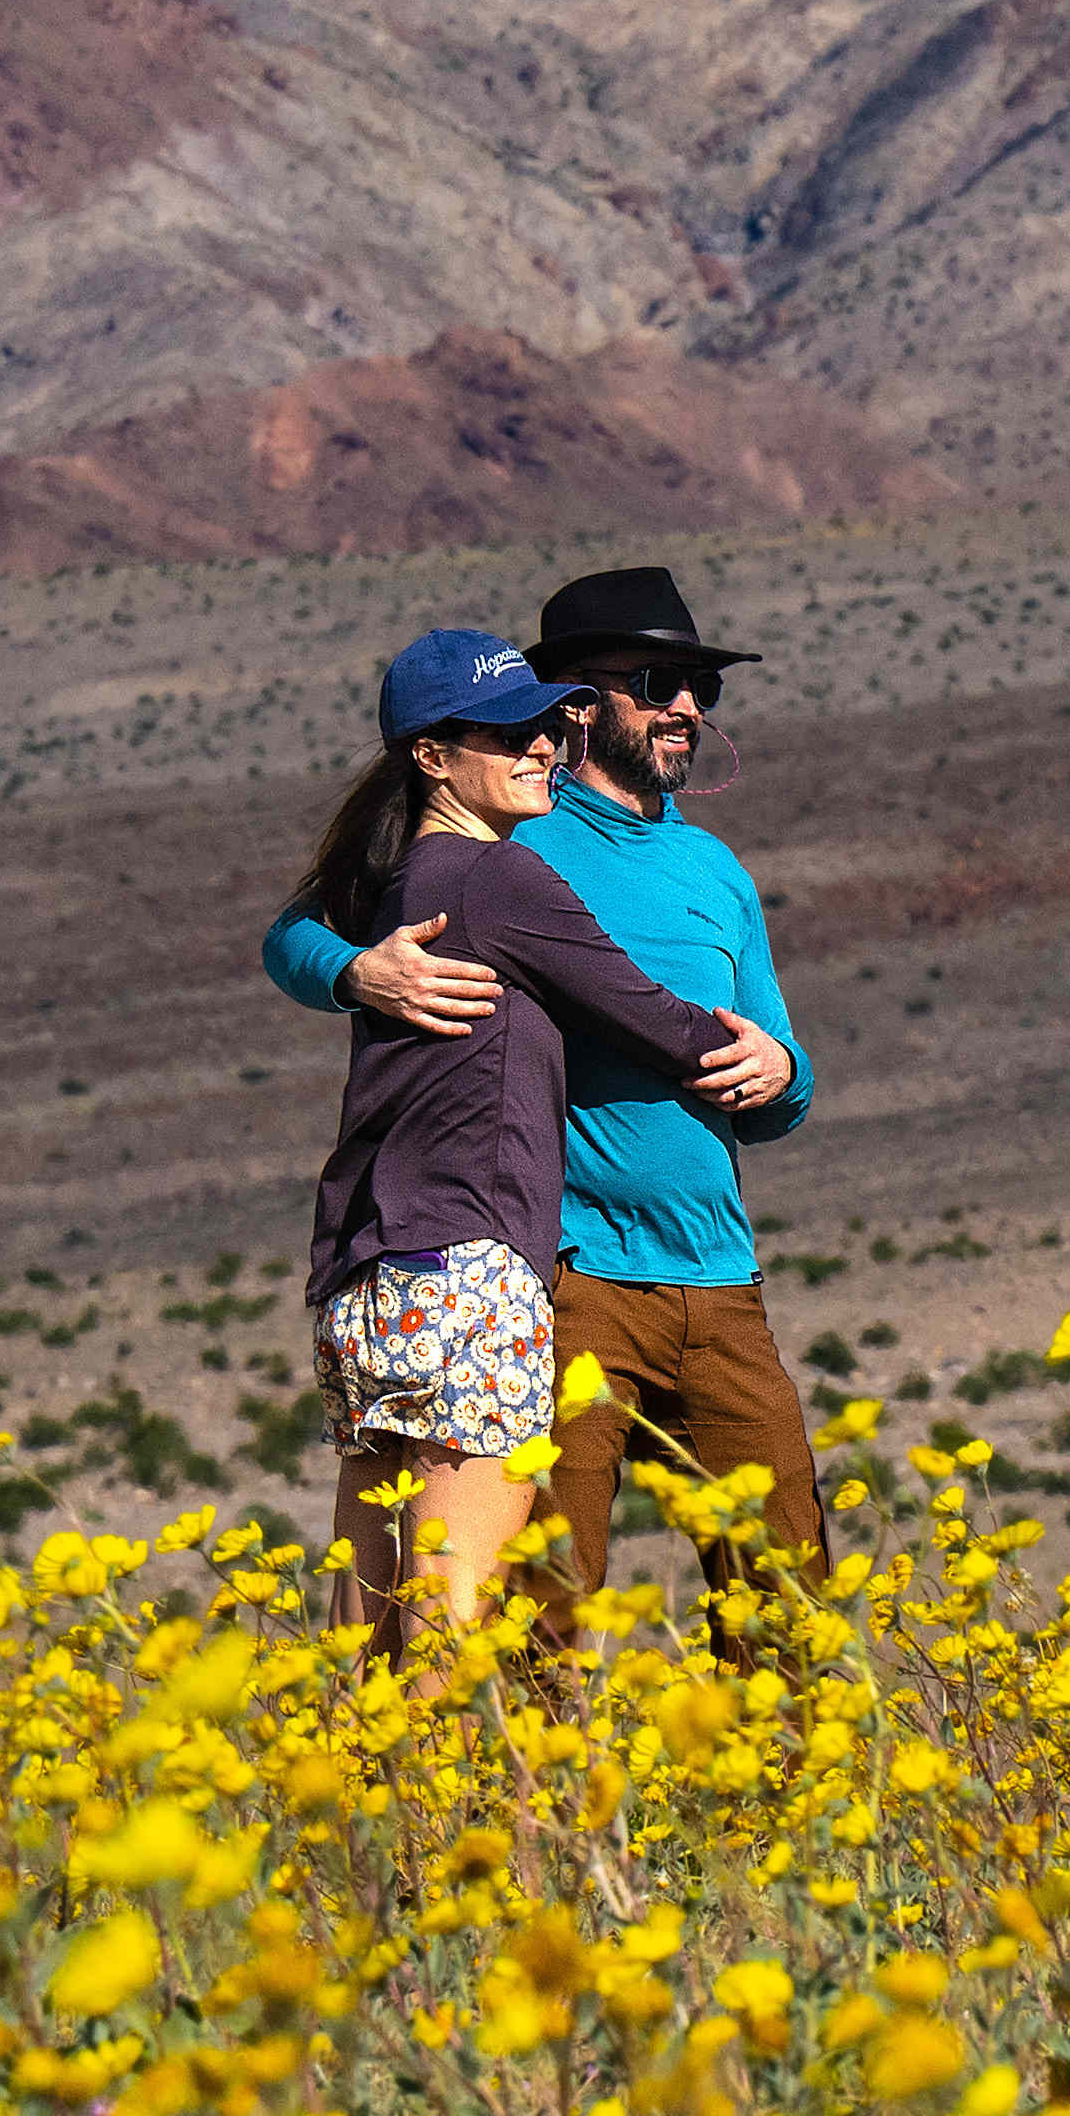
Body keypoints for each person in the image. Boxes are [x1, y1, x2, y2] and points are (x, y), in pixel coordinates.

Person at [265, 567, 826, 1633]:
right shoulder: (507, 832)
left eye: (703, 685)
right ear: (576, 699)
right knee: (538, 1605)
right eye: (658, 680)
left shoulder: (715, 869)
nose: (688, 707)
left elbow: (772, 1064)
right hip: (565, 1274)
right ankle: (521, 1798)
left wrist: (785, 1075)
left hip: (718, 1273)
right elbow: (291, 933)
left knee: (787, 1592)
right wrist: (356, 971)